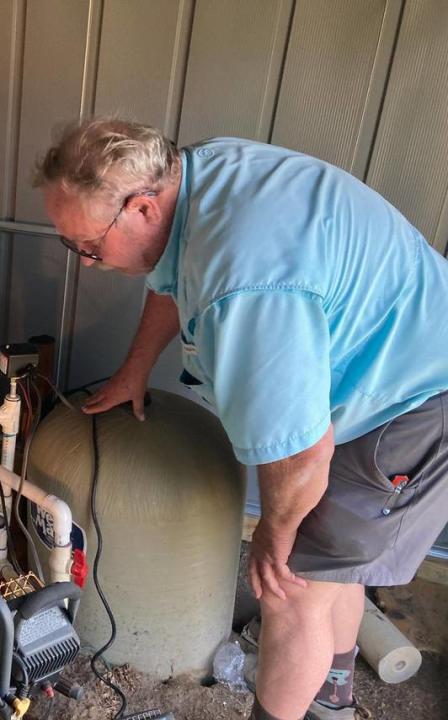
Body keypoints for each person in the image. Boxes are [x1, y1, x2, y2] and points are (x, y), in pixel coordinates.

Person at [35, 118, 448, 720]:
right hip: (388, 359)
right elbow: (169, 272)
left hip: (416, 402)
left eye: (88, 246)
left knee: (292, 589)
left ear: (142, 208)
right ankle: (329, 695)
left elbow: (302, 454)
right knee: (332, 571)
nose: (86, 262)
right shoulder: (196, 175)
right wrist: (136, 368)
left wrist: (274, 538)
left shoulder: (244, 285)